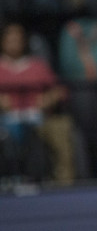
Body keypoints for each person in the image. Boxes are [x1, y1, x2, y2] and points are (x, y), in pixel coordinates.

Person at [0, 21, 77, 186]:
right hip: (6, 120)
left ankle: (64, 186)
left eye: (18, 38)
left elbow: (60, 90)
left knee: (62, 128)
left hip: (38, 117)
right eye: (10, 38)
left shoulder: (38, 66)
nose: (14, 42)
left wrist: (49, 98)